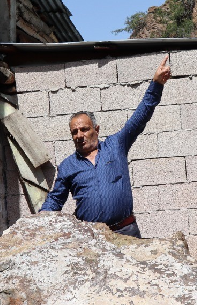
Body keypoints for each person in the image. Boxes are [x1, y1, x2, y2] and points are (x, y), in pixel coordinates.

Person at [39, 55, 171, 238]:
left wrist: (156, 84)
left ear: (96, 129)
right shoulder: (68, 166)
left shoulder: (116, 145)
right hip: (91, 238)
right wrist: (39, 222)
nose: (79, 135)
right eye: (74, 132)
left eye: (84, 129)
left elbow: (141, 116)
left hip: (126, 231)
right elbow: (55, 200)